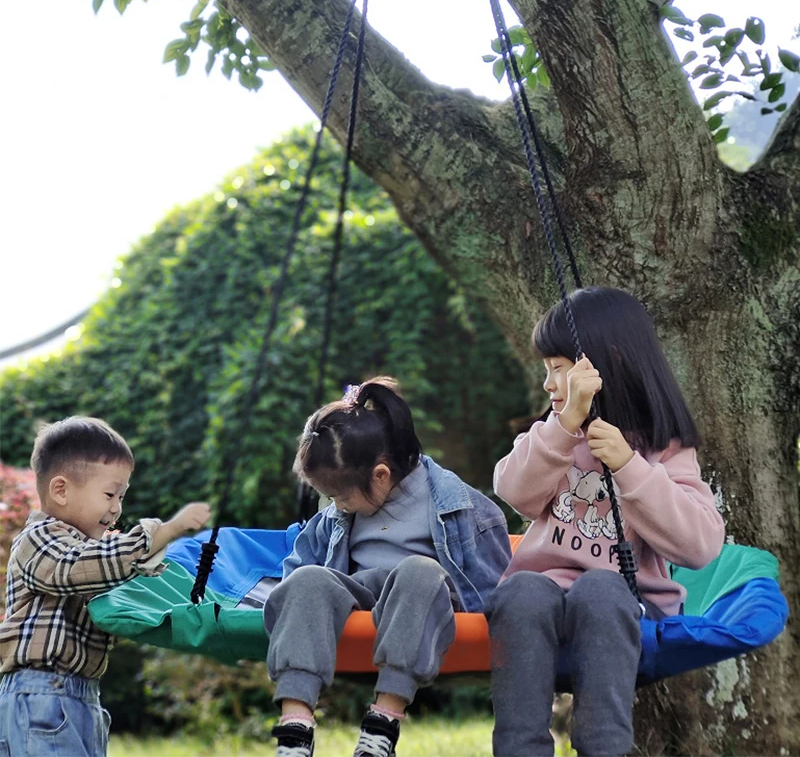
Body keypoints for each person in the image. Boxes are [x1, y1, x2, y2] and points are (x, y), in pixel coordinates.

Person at [487, 287, 725, 757]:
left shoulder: (663, 446)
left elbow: (700, 545)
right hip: (542, 599)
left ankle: (604, 748)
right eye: (547, 371)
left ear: (604, 365)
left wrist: (630, 467)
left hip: (625, 602)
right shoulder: (553, 435)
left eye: (558, 369)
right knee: (519, 590)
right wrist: (562, 429)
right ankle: (520, 748)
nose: (549, 385)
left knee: (600, 590)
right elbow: (512, 490)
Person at [264, 378, 511, 757]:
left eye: (341, 497)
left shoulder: (464, 509)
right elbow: (296, 581)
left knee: (419, 570)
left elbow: (495, 588)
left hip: (422, 604)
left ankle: (382, 725)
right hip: (359, 597)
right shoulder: (334, 518)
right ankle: (295, 730)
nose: (337, 506)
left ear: (380, 475)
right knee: (308, 578)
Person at [0, 416, 211, 756]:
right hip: (41, 694)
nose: (117, 508)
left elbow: (116, 583)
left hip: (80, 696)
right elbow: (74, 567)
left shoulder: (95, 551)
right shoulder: (37, 540)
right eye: (110, 494)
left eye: (122, 496)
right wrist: (159, 533)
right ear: (61, 490)